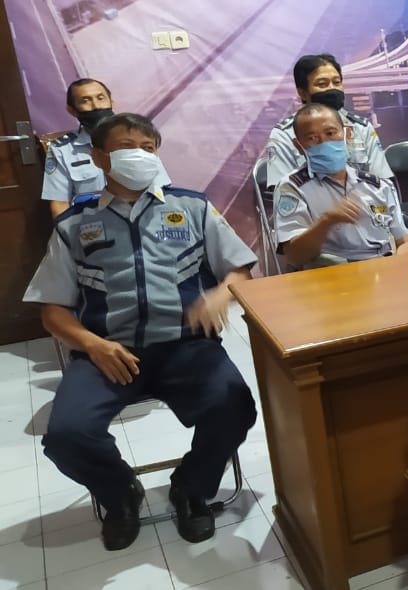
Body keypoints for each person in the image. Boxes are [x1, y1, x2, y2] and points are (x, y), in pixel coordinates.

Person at [23, 113, 258, 550]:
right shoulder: (74, 224)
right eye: (125, 147)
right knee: (67, 436)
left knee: (235, 407)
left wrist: (220, 295)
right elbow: (52, 310)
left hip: (187, 348)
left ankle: (191, 488)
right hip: (107, 354)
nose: (139, 155)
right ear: (100, 157)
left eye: (147, 148)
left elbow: (239, 270)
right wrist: (92, 345)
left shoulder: (192, 208)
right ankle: (120, 494)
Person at [273, 104, 408, 269]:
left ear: (347, 135)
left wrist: (395, 267)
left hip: (384, 268)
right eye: (312, 138)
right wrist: (327, 221)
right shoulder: (292, 188)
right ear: (299, 146)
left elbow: (405, 241)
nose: (324, 142)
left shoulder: (377, 186)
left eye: (330, 133)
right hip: (334, 274)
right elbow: (295, 256)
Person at [43, 79, 171, 217]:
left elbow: (162, 188)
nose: (96, 106)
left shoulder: (137, 139)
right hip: (91, 223)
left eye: (101, 98)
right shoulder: (62, 149)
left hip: (142, 218)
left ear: (111, 102)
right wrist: (67, 229)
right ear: (72, 110)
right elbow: (59, 204)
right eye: (85, 101)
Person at [264, 54, 392, 188]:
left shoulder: (361, 128)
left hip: (363, 198)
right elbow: (280, 190)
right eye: (322, 84)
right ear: (302, 93)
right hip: (309, 200)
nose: (332, 88)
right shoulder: (284, 135)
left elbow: (383, 182)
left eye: (336, 82)